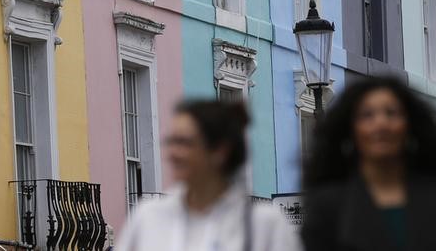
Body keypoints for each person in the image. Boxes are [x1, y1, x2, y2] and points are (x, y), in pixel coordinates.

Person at [302, 77, 436, 251]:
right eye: (367, 115)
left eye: (392, 113)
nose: (381, 124)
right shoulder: (326, 207)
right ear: (350, 129)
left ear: (409, 125)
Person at [116, 99, 302, 251]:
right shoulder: (148, 217)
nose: (172, 153)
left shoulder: (264, 224)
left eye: (184, 143)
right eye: (171, 142)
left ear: (219, 151)